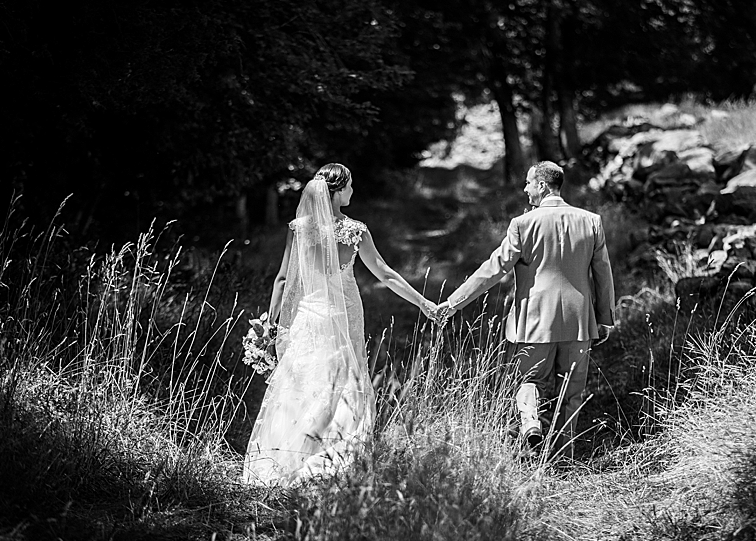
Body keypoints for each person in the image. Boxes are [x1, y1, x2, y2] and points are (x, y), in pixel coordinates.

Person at [242, 163, 438, 486]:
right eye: (349, 186)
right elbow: (386, 274)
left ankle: (288, 459)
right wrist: (424, 302)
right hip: (342, 317)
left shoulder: (298, 228)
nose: (352, 191)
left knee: (301, 385)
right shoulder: (355, 231)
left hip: (307, 316)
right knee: (343, 387)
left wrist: (270, 323)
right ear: (336, 192)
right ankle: (332, 462)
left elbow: (281, 281)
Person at [437, 161, 616, 461]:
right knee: (571, 394)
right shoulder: (591, 221)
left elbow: (492, 270)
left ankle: (531, 422)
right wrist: (605, 317)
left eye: (529, 183)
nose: (525, 189)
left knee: (528, 381)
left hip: (535, 321)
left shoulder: (523, 224)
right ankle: (565, 458)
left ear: (543, 186)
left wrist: (453, 303)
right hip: (579, 322)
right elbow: (603, 273)